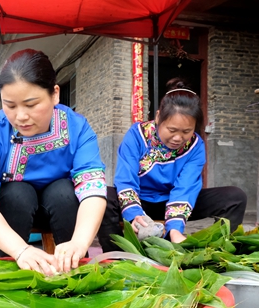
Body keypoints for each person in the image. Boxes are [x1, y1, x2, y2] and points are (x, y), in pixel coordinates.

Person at [0, 49, 107, 274]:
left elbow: (93, 190)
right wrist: (20, 250)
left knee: (63, 192)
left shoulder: (77, 127)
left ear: (55, 94)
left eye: (31, 104)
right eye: (10, 105)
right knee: (16, 194)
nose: (20, 116)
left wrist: (79, 243)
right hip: (14, 211)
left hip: (63, 208)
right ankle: (7, 271)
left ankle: (73, 269)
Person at [98, 78, 247, 251]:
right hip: (139, 201)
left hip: (174, 202)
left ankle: (218, 252)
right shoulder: (137, 135)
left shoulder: (196, 146)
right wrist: (135, 215)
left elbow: (185, 188)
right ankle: (116, 255)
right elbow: (126, 179)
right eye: (172, 130)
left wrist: (175, 229)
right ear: (158, 117)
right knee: (104, 196)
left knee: (235, 197)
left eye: (186, 131)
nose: (178, 138)